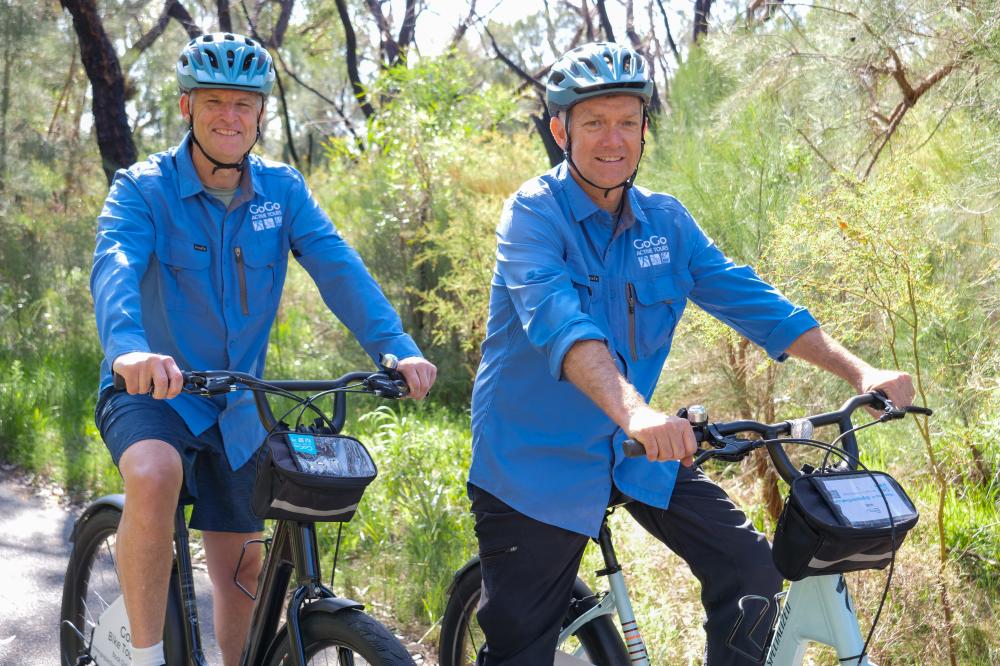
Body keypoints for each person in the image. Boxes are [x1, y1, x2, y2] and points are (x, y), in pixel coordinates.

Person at [467, 41, 914, 665]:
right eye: (594, 122)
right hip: (535, 464)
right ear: (560, 129)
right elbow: (562, 327)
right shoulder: (533, 216)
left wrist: (859, 368)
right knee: (521, 649)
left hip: (636, 453)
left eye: (627, 121)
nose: (612, 139)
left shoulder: (666, 223)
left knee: (753, 574)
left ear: (646, 129)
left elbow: (752, 301)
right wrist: (639, 413)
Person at [90, 33, 437, 666]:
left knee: (244, 576)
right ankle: (141, 657)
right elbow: (115, 267)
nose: (230, 116)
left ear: (260, 113)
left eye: (244, 104)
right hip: (152, 392)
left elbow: (337, 266)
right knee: (153, 473)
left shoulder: (282, 191)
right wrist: (129, 351)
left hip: (238, 407)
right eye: (214, 101)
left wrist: (397, 348)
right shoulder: (142, 189)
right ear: (187, 108)